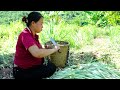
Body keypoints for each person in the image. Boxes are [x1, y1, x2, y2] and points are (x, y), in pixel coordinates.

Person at [13, 11, 60, 79]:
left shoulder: (33, 35)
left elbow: (38, 50)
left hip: (30, 67)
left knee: (51, 66)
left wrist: (48, 49)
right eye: (41, 23)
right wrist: (54, 49)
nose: (42, 26)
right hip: (22, 71)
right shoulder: (25, 35)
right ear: (33, 23)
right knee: (51, 68)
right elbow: (37, 53)